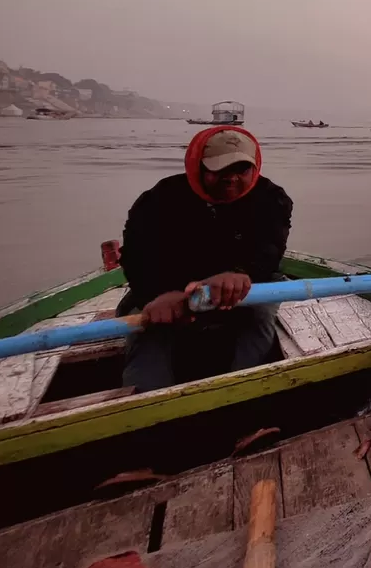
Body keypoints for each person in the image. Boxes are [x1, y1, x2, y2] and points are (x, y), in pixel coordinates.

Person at [118, 127, 292, 393]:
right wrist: (159, 295)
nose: (231, 179)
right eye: (220, 171)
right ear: (197, 166)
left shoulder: (271, 198)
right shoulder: (159, 199)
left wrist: (239, 273)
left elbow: (269, 250)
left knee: (260, 317)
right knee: (149, 330)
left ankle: (241, 397)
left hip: (246, 286)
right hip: (170, 286)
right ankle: (148, 411)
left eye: (242, 170)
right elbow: (137, 256)